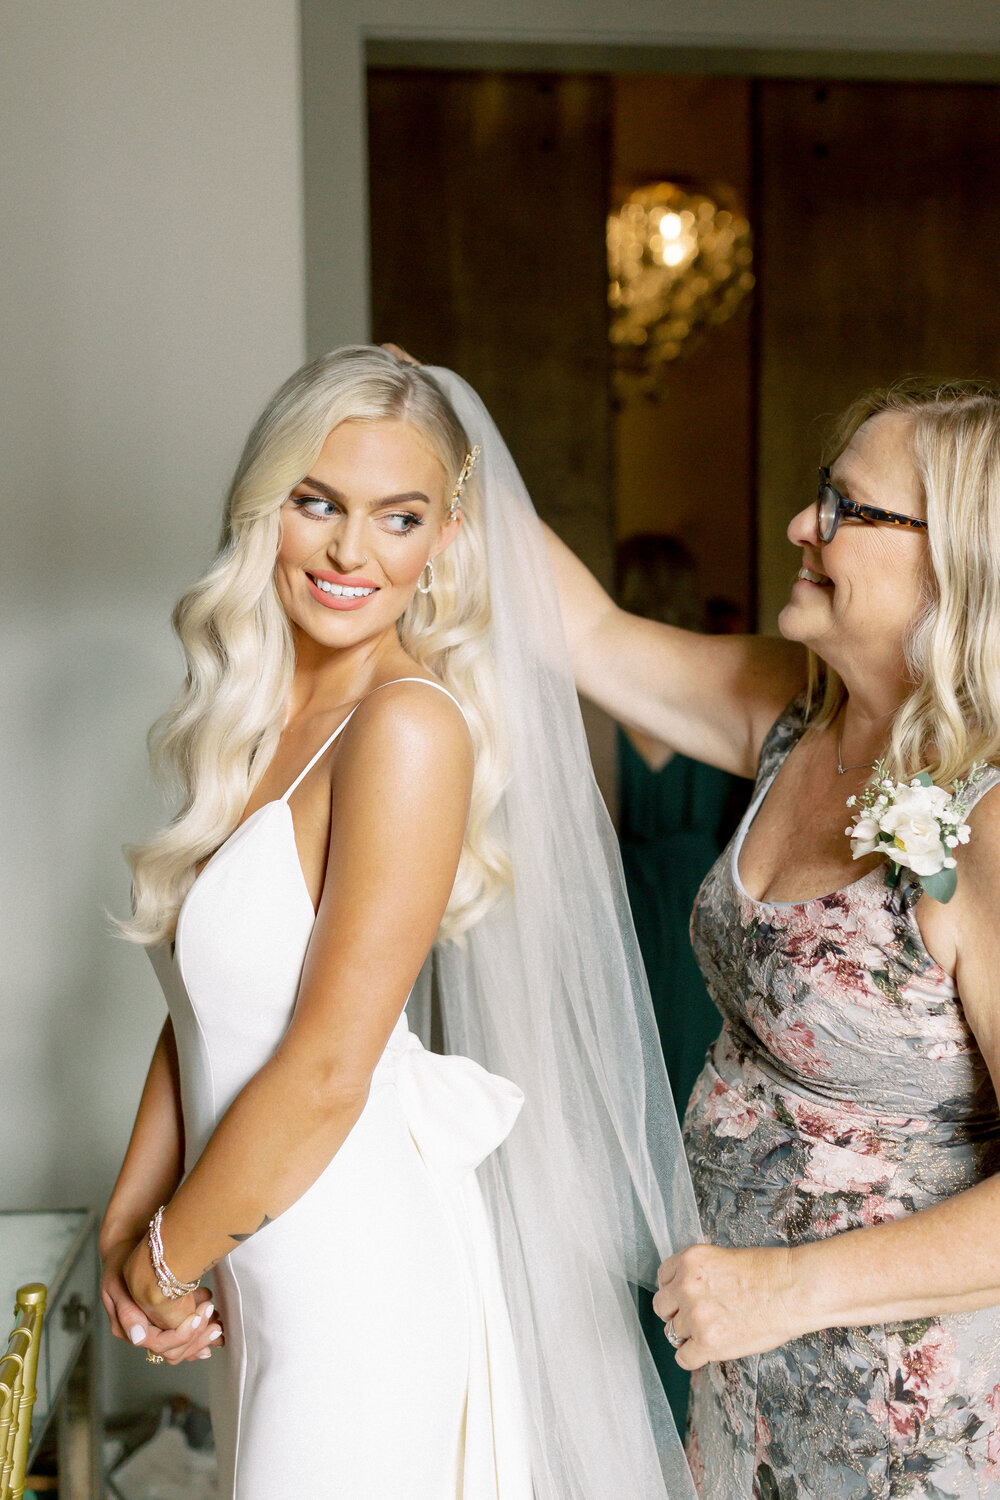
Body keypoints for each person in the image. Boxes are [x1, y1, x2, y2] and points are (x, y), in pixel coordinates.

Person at [98, 347, 702, 1499]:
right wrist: (132, 1229)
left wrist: (168, 1258)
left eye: (398, 516)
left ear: (443, 541)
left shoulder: (407, 726)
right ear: (264, 505)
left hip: (346, 1270)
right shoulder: (257, 719)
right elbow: (207, 1016)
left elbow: (328, 1065)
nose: (347, 551)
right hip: (247, 1244)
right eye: (316, 502)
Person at [544, 379, 1000, 1498]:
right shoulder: (794, 713)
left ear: (956, 561)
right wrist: (434, 440)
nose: (804, 526)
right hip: (746, 1392)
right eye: (816, 497)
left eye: (847, 508)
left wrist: (783, 1291)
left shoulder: (987, 817)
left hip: (912, 1429)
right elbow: (587, 633)